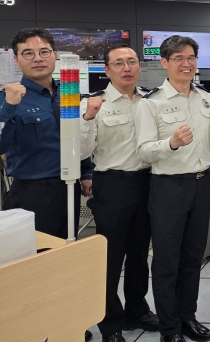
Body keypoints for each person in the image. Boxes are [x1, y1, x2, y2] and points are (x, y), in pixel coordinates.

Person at [0, 28, 95, 341]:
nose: (37, 58)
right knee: (33, 266)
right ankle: (36, 329)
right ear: (17, 59)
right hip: (32, 193)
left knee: (66, 259)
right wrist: (9, 106)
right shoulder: (9, 97)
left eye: (43, 52)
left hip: (68, 188)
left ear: (54, 55)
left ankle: (66, 324)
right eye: (27, 53)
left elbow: (76, 139)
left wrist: (86, 173)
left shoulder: (69, 93)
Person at [135, 35, 210, 342]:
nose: (186, 64)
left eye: (191, 58)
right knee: (166, 261)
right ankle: (169, 328)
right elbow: (143, 151)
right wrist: (171, 143)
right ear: (164, 63)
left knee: (192, 258)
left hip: (201, 184)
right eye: (178, 58)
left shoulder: (204, 98)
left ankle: (188, 317)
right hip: (169, 188)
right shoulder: (151, 103)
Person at [80, 45, 159, 342]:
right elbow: (82, 152)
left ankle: (136, 310)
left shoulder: (150, 100)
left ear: (139, 66)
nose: (126, 68)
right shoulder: (94, 103)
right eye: (118, 63)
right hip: (113, 184)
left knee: (140, 253)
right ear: (107, 70)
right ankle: (110, 323)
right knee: (111, 257)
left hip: (148, 182)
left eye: (131, 62)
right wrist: (88, 117)